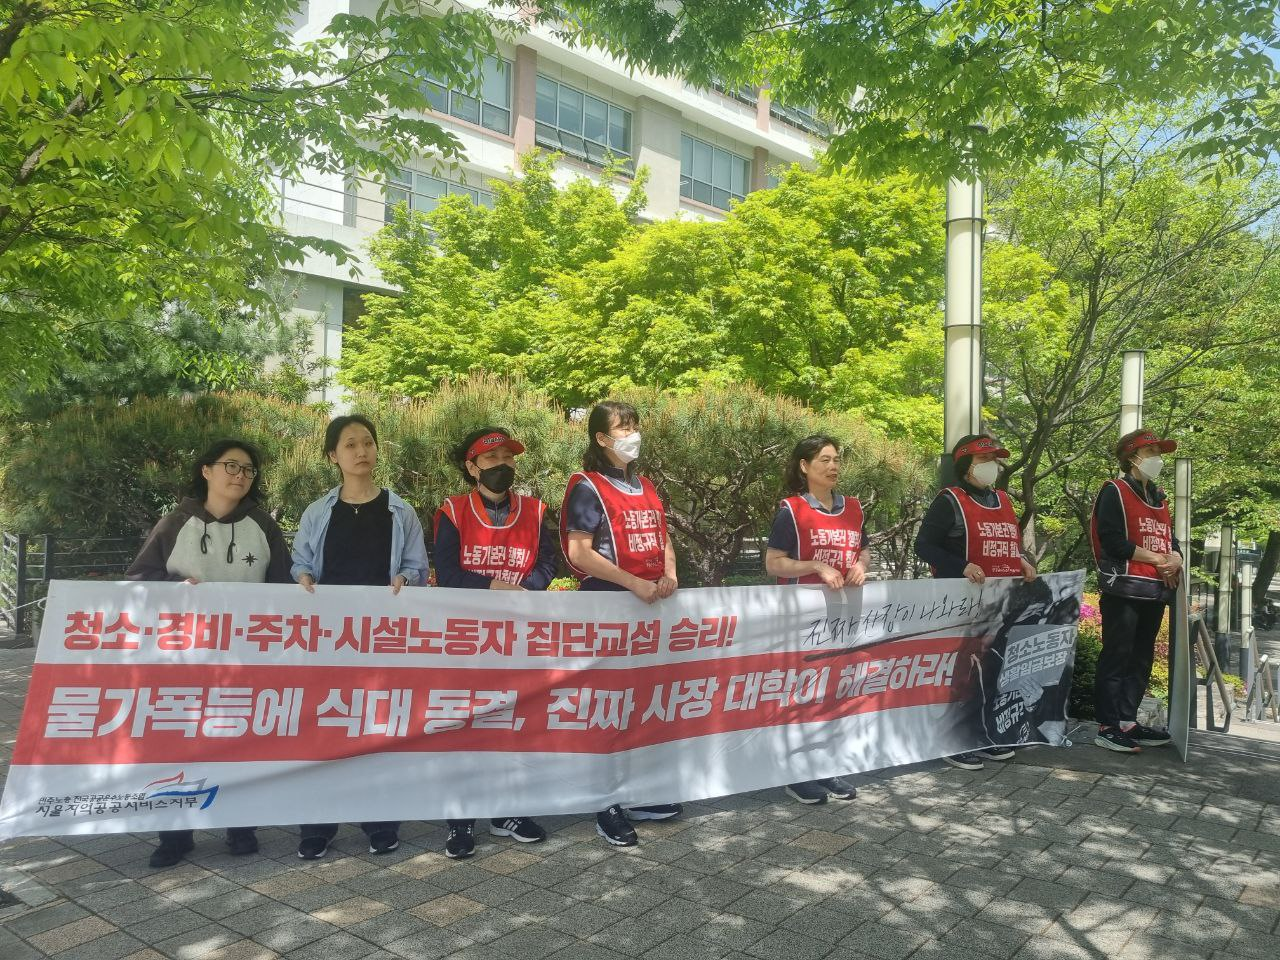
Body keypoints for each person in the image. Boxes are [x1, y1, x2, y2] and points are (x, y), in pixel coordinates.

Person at [127, 439, 294, 869]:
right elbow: (138, 580)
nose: (240, 476)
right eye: (231, 466)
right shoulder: (175, 523)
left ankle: (241, 827)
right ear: (206, 470)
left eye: (248, 470)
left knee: (239, 741)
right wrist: (175, 590)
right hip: (182, 658)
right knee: (179, 743)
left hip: (244, 657)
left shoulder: (263, 525)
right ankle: (174, 834)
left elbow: (284, 589)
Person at [291, 414, 429, 859]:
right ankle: (318, 824)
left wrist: (407, 579)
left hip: (381, 640)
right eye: (349, 444)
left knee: (376, 729)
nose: (361, 451)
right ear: (333, 455)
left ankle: (379, 821)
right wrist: (303, 576)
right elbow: (300, 562)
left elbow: (417, 567)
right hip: (328, 640)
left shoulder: (400, 511)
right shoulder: (318, 512)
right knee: (324, 726)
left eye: (367, 442)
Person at [432, 426, 558, 858]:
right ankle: (461, 819)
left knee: (514, 721)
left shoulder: (536, 511)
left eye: (508, 457)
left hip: (519, 633)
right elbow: (448, 575)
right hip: (468, 635)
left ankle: (509, 811)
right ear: (472, 467)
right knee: (466, 726)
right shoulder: (453, 511)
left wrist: (526, 592)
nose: (502, 465)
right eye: (491, 458)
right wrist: (496, 588)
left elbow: (548, 563)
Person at [560, 400, 681, 847]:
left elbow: (662, 537)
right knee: (607, 705)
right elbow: (579, 552)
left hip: (649, 606)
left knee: (642, 701)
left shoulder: (645, 485)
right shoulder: (587, 486)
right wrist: (632, 582)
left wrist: (669, 574)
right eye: (623, 428)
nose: (633, 435)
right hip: (608, 605)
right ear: (601, 438)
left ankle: (639, 794)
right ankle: (605, 804)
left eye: (635, 426)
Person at [913, 434, 1036, 770]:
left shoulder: (1002, 499)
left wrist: (1021, 560)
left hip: (1000, 603)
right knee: (962, 674)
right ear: (966, 465)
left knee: (993, 671)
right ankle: (952, 740)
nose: (992, 465)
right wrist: (962, 566)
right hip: (961, 605)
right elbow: (923, 545)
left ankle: (982, 734)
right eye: (984, 459)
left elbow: (1005, 543)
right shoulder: (950, 500)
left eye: (994, 459)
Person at [764, 435, 865, 805]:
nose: (833, 466)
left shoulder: (853, 508)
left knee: (832, 692)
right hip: (802, 619)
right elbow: (774, 562)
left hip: (843, 616)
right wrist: (816, 565)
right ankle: (796, 774)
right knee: (801, 693)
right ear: (804, 466)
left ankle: (824, 766)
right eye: (824, 459)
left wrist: (861, 565)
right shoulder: (791, 510)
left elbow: (864, 550)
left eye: (836, 459)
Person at [1089, 428, 1181, 753]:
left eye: (1159, 452)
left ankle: (1128, 720)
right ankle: (1107, 726)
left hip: (1154, 588)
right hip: (1124, 589)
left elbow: (1170, 539)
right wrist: (1158, 558)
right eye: (1151, 451)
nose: (1158, 458)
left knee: (1141, 657)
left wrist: (1176, 557)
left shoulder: (1159, 496)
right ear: (1132, 457)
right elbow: (1113, 541)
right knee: (1117, 655)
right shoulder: (1114, 491)